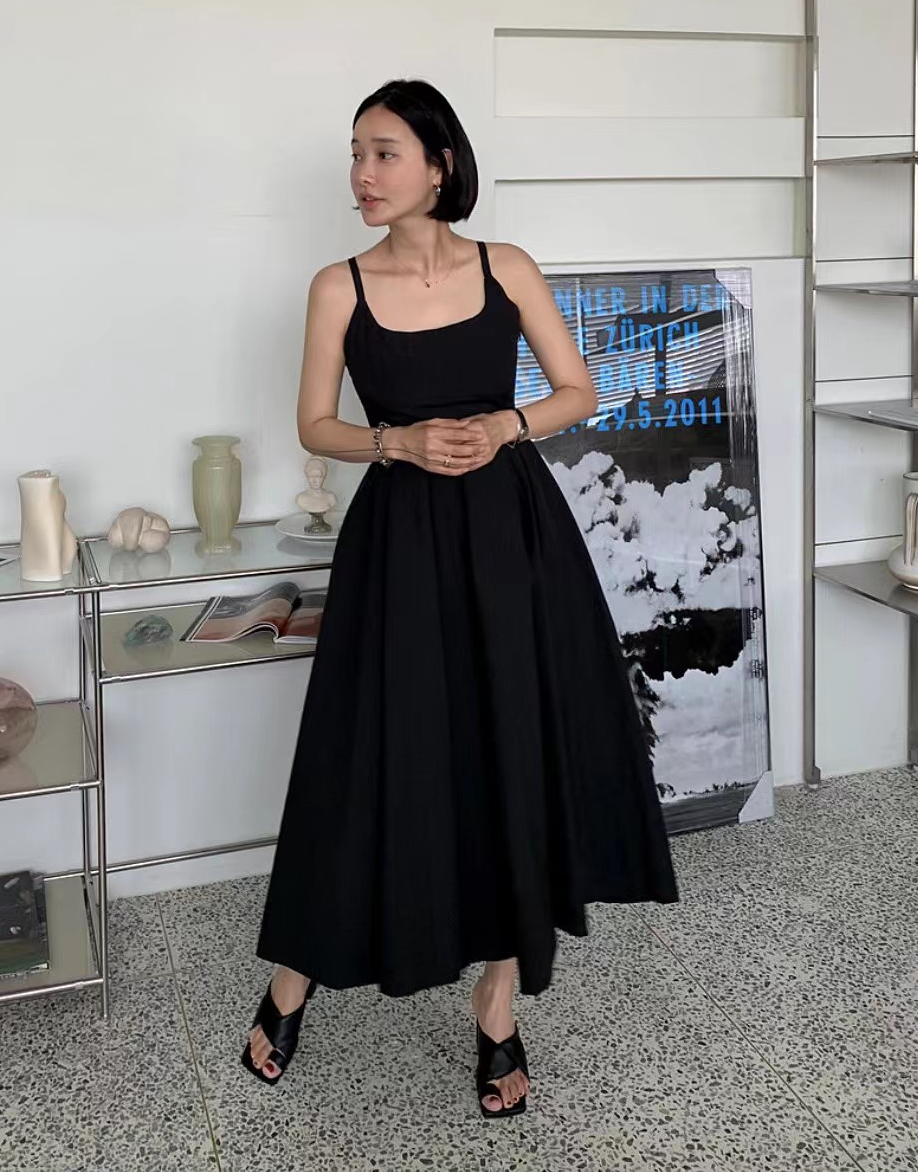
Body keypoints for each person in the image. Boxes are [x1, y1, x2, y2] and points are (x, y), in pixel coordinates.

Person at [242, 79, 677, 1118]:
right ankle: (294, 976)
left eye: (383, 152)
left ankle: (498, 995)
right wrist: (394, 439)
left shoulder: (505, 266)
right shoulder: (337, 286)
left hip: (510, 535)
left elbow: (578, 391)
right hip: (399, 541)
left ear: (440, 165)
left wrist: (506, 426)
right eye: (356, 154)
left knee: (507, 745)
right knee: (366, 753)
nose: (362, 174)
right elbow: (314, 424)